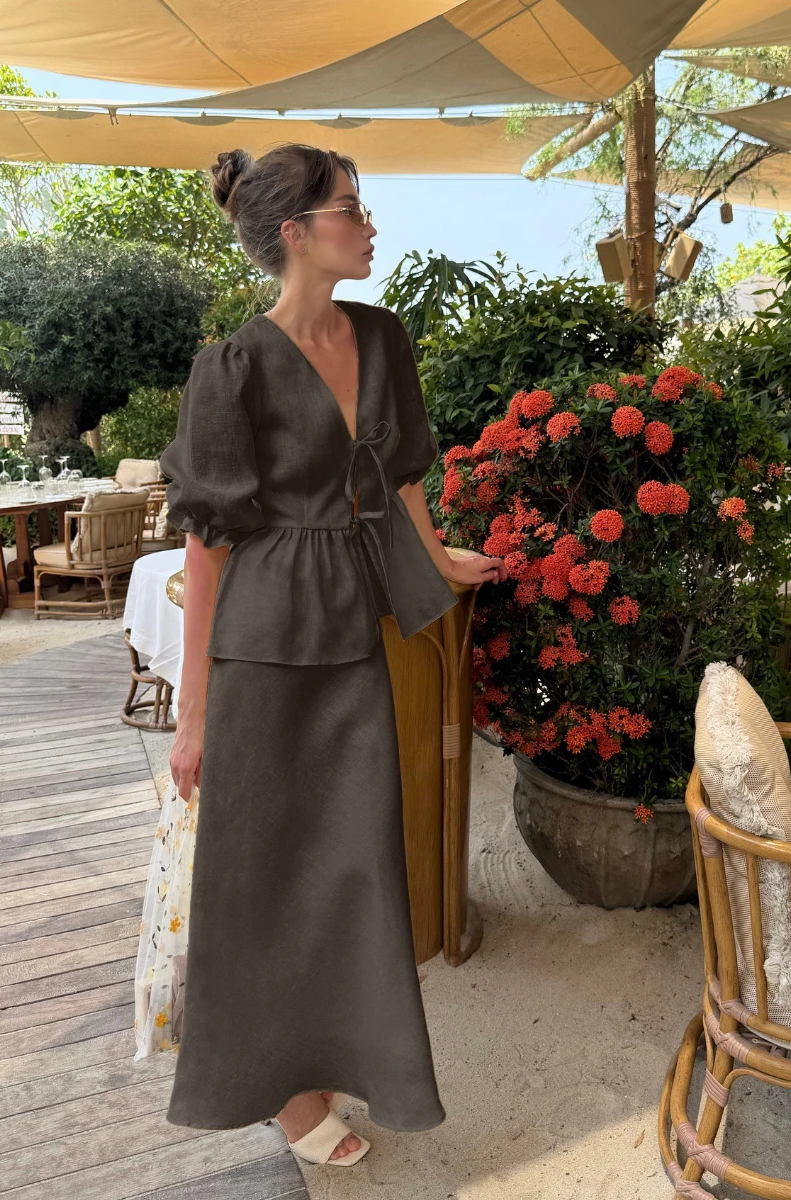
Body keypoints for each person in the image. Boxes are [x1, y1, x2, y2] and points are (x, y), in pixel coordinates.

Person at [158, 142, 505, 1168]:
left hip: (352, 629)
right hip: (263, 643)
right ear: (295, 232)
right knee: (263, 874)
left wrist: (438, 558)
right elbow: (207, 543)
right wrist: (193, 715)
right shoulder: (231, 367)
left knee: (355, 867)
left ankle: (360, 1060)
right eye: (351, 209)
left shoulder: (382, 336)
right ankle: (286, 1091)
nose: (369, 225)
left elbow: (401, 475)